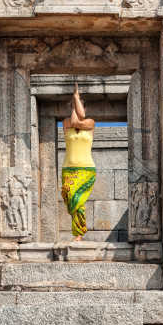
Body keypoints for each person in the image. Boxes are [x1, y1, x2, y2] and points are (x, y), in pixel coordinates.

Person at [60, 83, 96, 241]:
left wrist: (76, 97)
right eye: (75, 106)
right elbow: (73, 121)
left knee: (78, 200)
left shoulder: (90, 123)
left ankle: (79, 234)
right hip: (68, 169)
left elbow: (78, 122)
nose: (76, 108)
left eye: (80, 106)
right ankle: (78, 232)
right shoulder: (66, 123)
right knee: (70, 200)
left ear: (84, 109)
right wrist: (75, 101)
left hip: (86, 169)